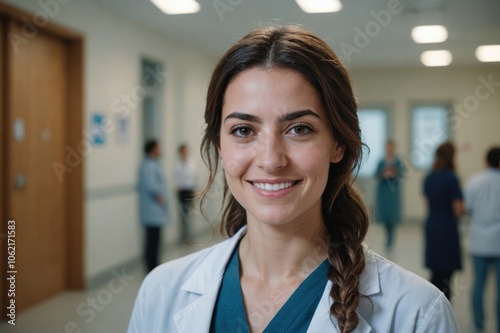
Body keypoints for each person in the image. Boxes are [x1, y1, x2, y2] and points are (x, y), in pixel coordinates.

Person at [128, 25, 459, 333]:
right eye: (243, 130)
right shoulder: (160, 292)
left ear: (338, 144)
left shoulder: (418, 313)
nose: (271, 160)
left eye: (299, 129)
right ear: (219, 146)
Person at [423, 141, 465, 301]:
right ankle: (443, 311)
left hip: (432, 225)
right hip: (447, 228)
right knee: (447, 275)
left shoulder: (429, 178)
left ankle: (431, 306)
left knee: (435, 272)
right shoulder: (452, 179)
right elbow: (458, 210)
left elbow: (428, 203)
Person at [465, 147, 500, 333]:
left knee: (479, 284)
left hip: (479, 242)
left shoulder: (474, 181)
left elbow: (467, 209)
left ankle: (478, 323)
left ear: (485, 160)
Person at [137, 139, 169, 273]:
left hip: (153, 211)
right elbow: (151, 185)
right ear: (153, 149)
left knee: (154, 241)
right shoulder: (149, 166)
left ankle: (154, 267)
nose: (159, 150)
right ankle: (152, 268)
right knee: (152, 241)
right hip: (152, 211)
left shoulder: (151, 164)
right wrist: (160, 197)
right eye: (158, 148)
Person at [374, 140, 403, 252]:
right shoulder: (381, 162)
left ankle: (391, 239)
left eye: (391, 147)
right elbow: (376, 175)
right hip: (383, 193)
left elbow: (401, 175)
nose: (389, 149)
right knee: (384, 217)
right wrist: (383, 173)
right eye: (388, 147)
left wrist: (394, 173)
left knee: (393, 218)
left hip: (393, 194)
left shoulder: (398, 162)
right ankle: (387, 238)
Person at [174, 143, 197, 244]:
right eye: (183, 151)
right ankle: (183, 237)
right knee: (182, 215)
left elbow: (193, 177)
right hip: (181, 191)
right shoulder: (177, 165)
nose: (184, 153)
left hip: (189, 190)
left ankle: (189, 237)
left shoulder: (191, 164)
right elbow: (177, 179)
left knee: (189, 215)